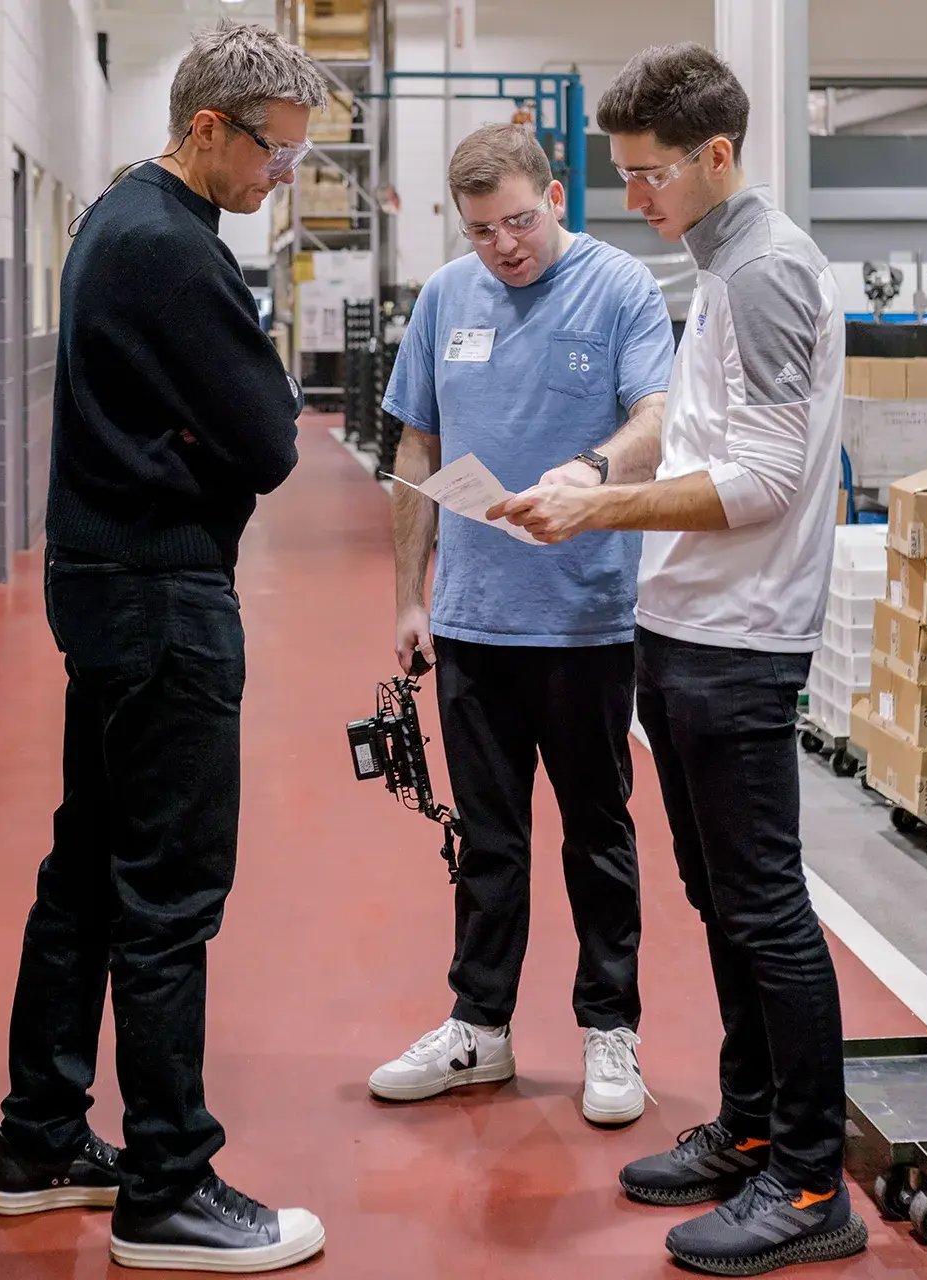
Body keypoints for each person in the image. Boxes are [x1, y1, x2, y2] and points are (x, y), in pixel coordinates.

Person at [492, 43, 867, 1278]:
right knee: (723, 905)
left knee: (763, 907)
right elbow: (694, 424)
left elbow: (760, 482)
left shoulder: (762, 274)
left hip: (739, 641)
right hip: (689, 628)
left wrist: (596, 518)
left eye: (649, 176)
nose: (632, 199)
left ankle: (810, 1180)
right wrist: (601, 468)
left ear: (715, 156)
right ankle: (753, 1128)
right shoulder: (719, 265)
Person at [0, 23, 329, 1275]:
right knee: (170, 892)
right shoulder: (171, 251)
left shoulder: (117, 223)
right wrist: (226, 431)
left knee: (88, 869)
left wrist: (220, 430)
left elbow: (236, 429)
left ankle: (39, 1139)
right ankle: (167, 1184)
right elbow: (274, 441)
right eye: (272, 154)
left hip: (105, 585)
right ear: (207, 127)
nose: (278, 178)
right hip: (163, 598)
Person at [369, 123, 674, 1126]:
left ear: (553, 194)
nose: (504, 245)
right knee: (487, 840)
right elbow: (416, 444)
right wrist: (412, 597)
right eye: (481, 229)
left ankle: (608, 1029)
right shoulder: (446, 298)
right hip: (471, 625)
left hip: (586, 622)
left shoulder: (619, 286)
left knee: (596, 832)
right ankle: (479, 1028)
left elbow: (656, 422)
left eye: (517, 220)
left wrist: (590, 471)